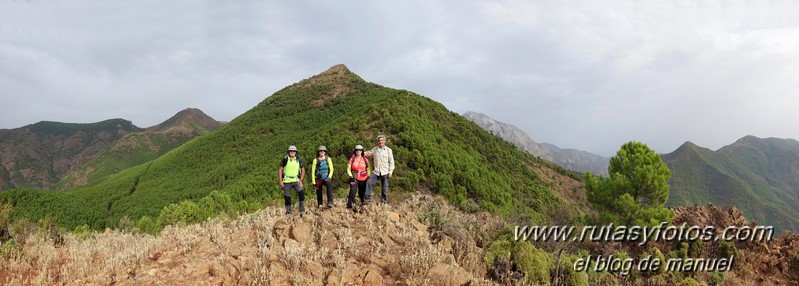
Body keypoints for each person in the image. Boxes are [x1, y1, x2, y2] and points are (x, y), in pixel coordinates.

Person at [364, 134, 395, 205]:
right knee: (369, 182)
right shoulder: (375, 149)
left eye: (382, 140)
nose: (381, 142)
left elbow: (391, 162)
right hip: (376, 171)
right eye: (379, 140)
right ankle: (368, 199)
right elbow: (368, 153)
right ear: (378, 141)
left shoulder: (388, 150)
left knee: (385, 187)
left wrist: (390, 171)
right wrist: (360, 153)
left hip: (385, 171)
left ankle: (383, 200)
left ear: (385, 141)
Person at [278, 145, 305, 215]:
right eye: (291, 151)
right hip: (287, 181)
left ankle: (302, 210)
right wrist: (280, 181)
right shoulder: (285, 159)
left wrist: (301, 180)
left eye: (293, 151)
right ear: (288, 152)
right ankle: (288, 212)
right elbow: (280, 169)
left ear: (296, 152)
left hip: (296, 180)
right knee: (287, 197)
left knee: (301, 193)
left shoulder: (299, 159)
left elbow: (303, 170)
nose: (292, 152)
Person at [346, 145, 370, 211]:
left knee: (362, 193)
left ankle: (363, 206)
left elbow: (368, 168)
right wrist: (351, 176)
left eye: (360, 150)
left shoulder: (365, 159)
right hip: (354, 177)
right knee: (352, 192)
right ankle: (349, 206)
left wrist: (368, 176)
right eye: (357, 150)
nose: (358, 151)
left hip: (364, 178)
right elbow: (348, 169)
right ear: (355, 151)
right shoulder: (352, 159)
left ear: (362, 151)